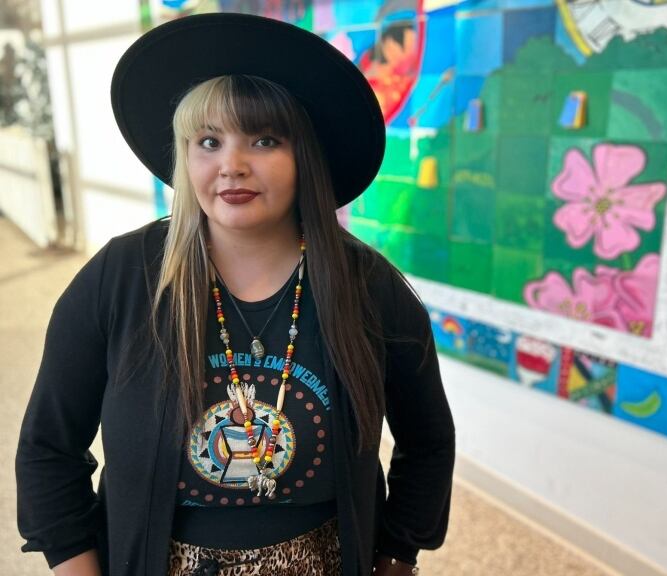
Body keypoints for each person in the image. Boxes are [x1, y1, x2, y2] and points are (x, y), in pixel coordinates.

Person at [16, 13, 455, 576]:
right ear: (185, 156)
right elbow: (49, 447)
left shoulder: (366, 286)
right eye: (209, 141)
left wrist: (398, 557)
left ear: (305, 157)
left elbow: (428, 441)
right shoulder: (121, 278)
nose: (232, 165)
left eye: (265, 140)